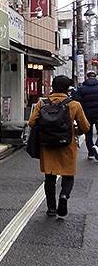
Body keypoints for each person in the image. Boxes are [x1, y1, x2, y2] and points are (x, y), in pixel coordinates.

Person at [28, 75, 90, 219]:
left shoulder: (42, 103)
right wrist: (75, 130)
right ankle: (63, 196)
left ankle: (51, 208)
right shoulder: (74, 104)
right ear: (67, 89)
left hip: (47, 145)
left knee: (49, 177)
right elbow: (85, 127)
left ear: (52, 87)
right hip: (67, 146)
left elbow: (31, 122)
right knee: (68, 175)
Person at [72, 71, 98, 159]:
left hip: (86, 114)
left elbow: (75, 100)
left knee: (88, 133)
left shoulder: (81, 88)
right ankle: (96, 146)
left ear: (87, 77)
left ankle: (91, 152)